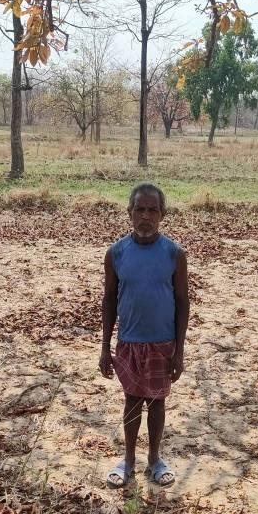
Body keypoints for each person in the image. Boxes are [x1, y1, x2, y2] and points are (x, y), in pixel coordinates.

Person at [99, 183, 189, 487]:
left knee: (157, 401)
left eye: (153, 210)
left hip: (163, 343)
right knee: (132, 401)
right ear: (129, 212)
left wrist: (179, 351)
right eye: (140, 209)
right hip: (129, 342)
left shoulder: (174, 254)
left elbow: (183, 302)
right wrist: (105, 347)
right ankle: (128, 459)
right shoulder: (116, 253)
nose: (146, 217)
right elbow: (109, 300)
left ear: (163, 214)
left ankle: (154, 459)